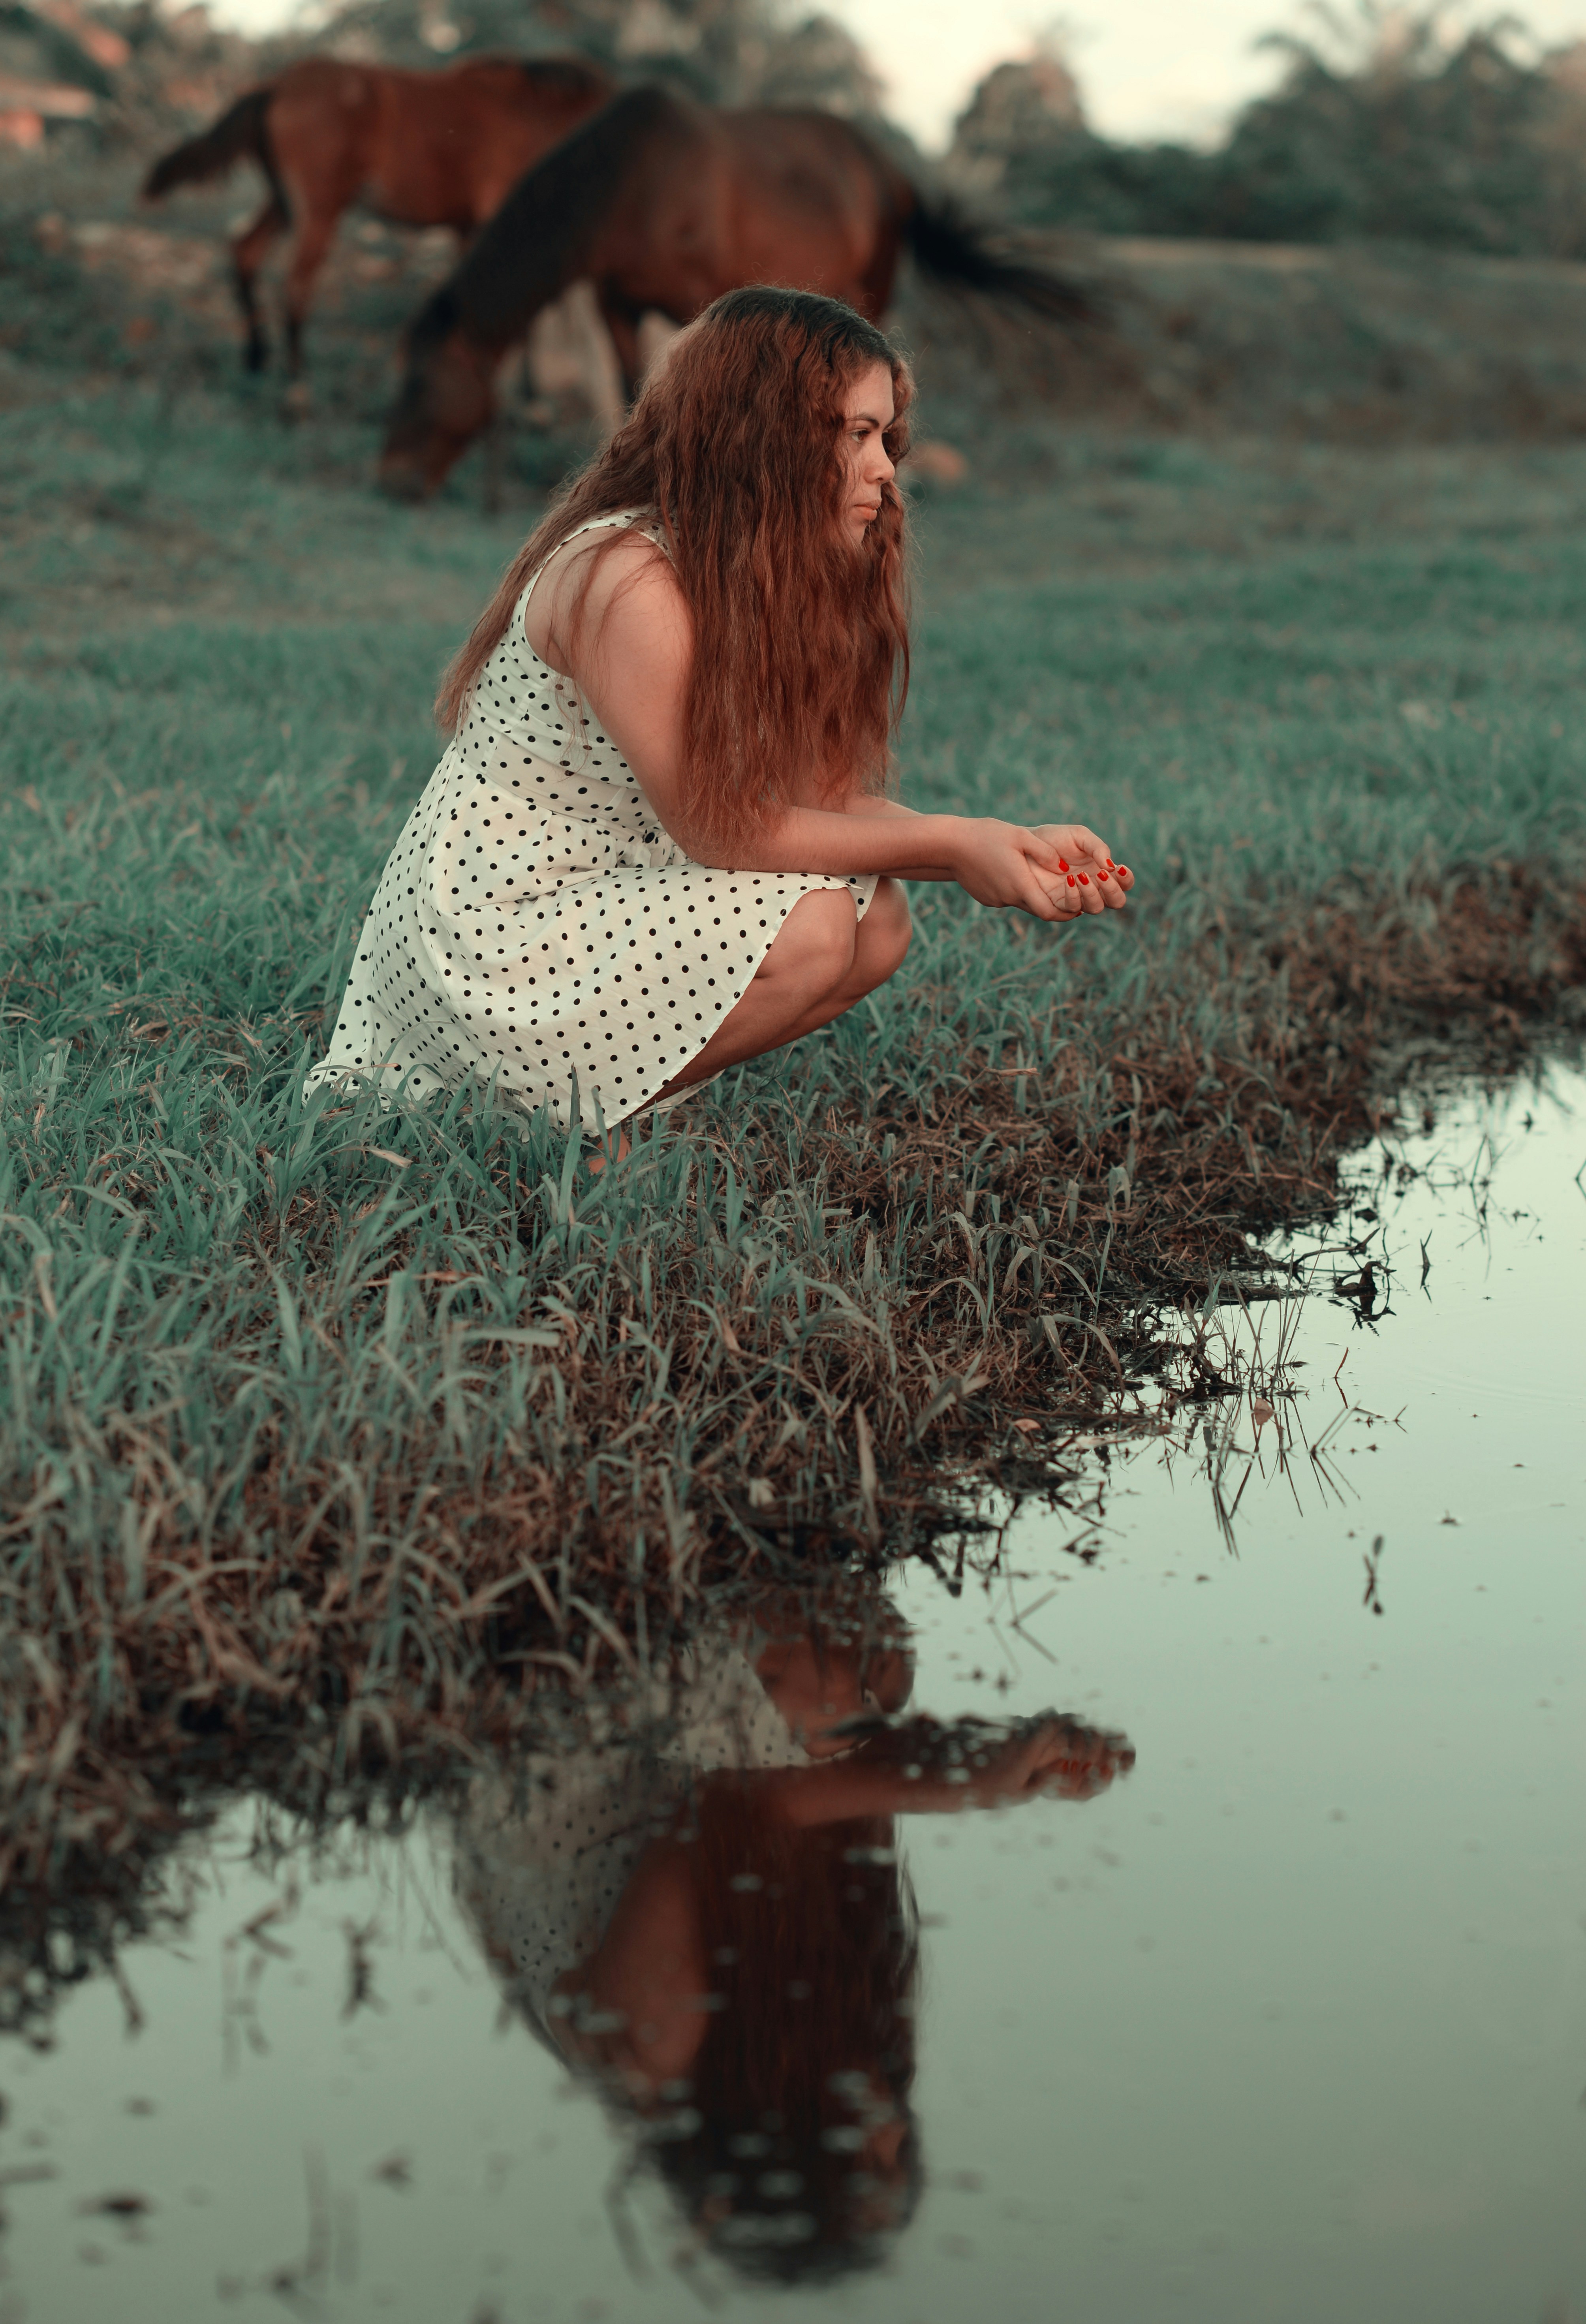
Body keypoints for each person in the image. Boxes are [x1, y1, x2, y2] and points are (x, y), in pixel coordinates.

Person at [308, 286, 1133, 1148]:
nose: (887, 468)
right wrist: (953, 847)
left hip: (604, 894)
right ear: (761, 434)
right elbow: (716, 829)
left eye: (886, 437)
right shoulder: (627, 576)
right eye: (855, 434)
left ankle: (585, 1114)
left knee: (876, 919)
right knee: (815, 927)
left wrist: (1003, 843)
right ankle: (566, 1130)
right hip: (488, 935)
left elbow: (824, 800)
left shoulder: (763, 572)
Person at [451, 1582, 1134, 2284]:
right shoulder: (823, 2018)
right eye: (904, 2152)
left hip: (543, 1723)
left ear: (778, 2157)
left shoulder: (648, 2054)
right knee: (877, 1672)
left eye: (866, 2162)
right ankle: (718, 1548)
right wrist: (1022, 1757)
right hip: (659, 1763)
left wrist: (970, 1780)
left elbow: (738, 1810)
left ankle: (649, 1562)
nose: (895, 2126)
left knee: (830, 1690)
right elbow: (841, 1782)